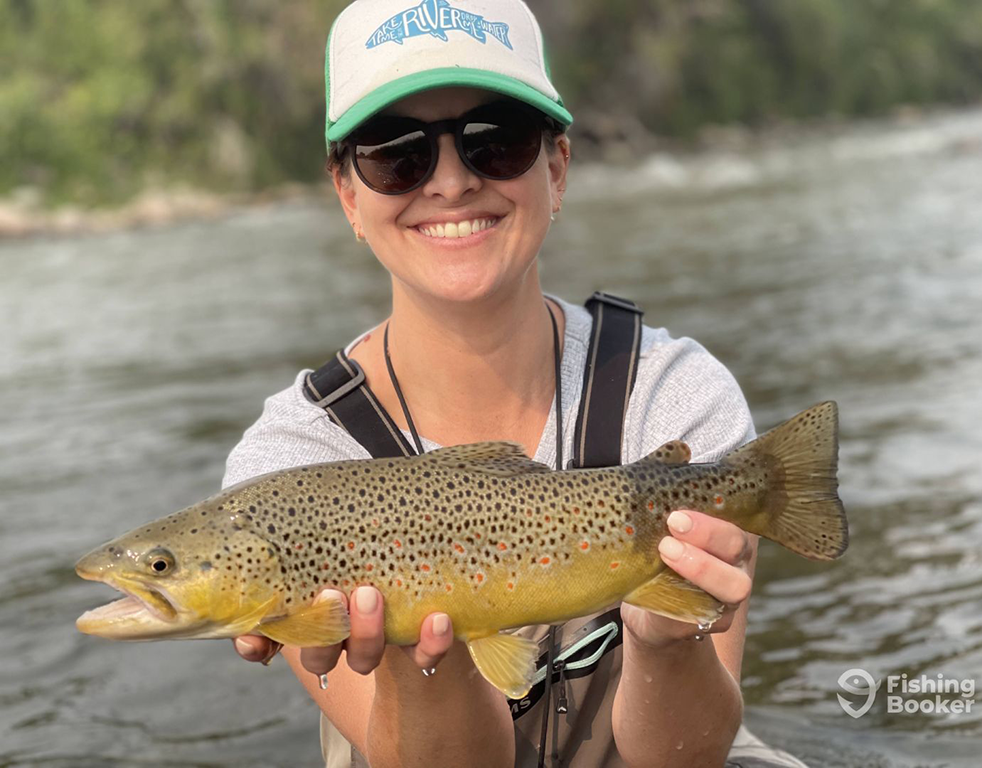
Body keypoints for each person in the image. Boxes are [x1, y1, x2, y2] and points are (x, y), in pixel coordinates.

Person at [222, 1, 808, 766]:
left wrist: (666, 642)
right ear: (348, 196)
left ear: (557, 168)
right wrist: (417, 653)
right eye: (397, 154)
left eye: (496, 142)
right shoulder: (288, 470)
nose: (453, 183)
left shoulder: (673, 396)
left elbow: (682, 758)